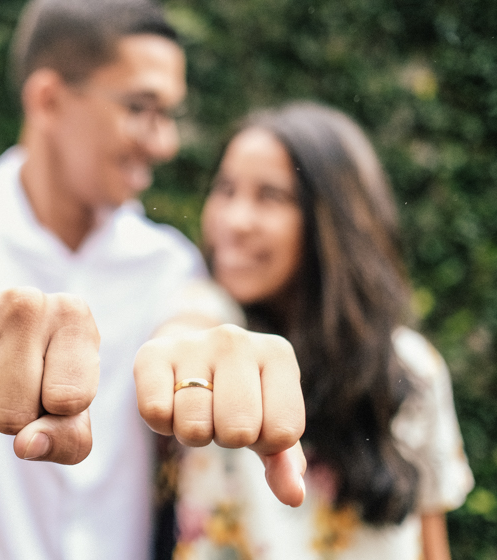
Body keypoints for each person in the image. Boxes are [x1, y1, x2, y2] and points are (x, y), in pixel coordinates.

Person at [0, 1, 306, 559]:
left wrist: (208, 350)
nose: (164, 144)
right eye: (141, 108)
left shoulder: (169, 262)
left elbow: (188, 322)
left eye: (169, 114)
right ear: (49, 100)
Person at [175, 102, 474, 560]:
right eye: (226, 189)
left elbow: (432, 547)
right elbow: (185, 326)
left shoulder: (412, 369)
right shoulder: (206, 341)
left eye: (270, 196)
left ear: (332, 219)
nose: (234, 222)